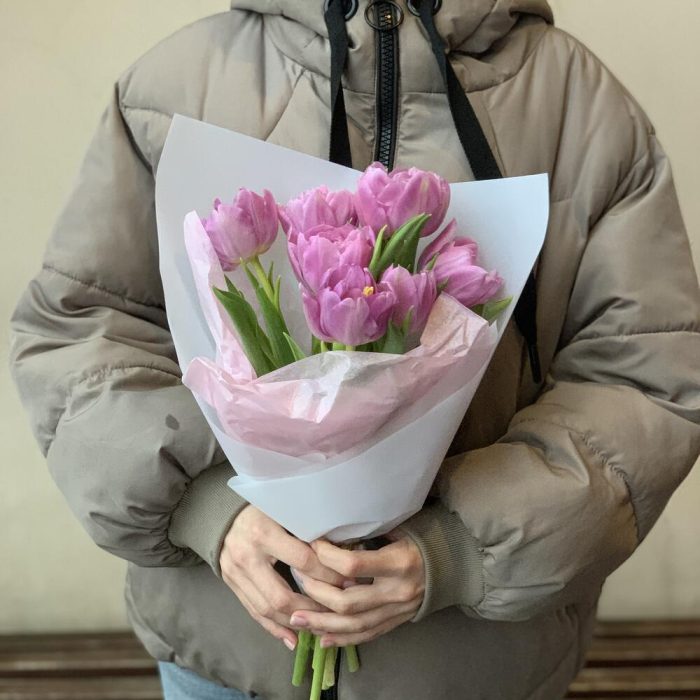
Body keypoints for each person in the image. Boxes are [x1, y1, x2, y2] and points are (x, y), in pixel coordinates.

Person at [9, 1, 700, 699]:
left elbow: (645, 378)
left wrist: (457, 550)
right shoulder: (174, 83)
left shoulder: (579, 102)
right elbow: (81, 327)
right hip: (221, 658)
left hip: (477, 668)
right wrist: (208, 509)